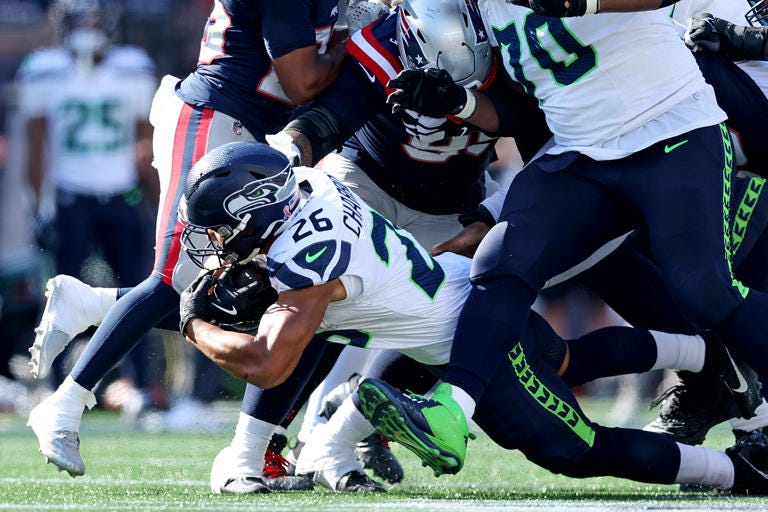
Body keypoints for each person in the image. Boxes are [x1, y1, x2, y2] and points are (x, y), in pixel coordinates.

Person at [178, 139, 768, 496]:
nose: (218, 241)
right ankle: (710, 356)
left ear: (258, 208)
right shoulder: (307, 184)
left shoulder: (306, 264)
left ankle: (736, 475)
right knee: (566, 358)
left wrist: (193, 325)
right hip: (470, 297)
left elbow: (268, 365)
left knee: (576, 449)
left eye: (221, 226)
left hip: (466, 340)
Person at [351, 0, 768, 477]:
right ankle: (449, 412)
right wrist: (456, 103)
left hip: (671, 128)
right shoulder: (475, 8)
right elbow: (520, 108)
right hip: (580, 151)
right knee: (500, 259)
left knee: (703, 289)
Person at [210, 0, 552, 492]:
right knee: (317, 281)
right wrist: (293, 146)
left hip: (454, 202)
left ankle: (336, 439)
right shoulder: (384, 39)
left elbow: (548, 156)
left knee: (463, 315)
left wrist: (489, 220)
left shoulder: (516, 42)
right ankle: (244, 452)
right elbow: (331, 115)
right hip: (366, 174)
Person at [26, 0, 349, 491]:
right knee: (173, 275)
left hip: (260, 134)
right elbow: (303, 80)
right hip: (217, 115)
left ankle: (93, 304)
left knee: (261, 292)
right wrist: (352, 41)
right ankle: (65, 404)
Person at [18, 0, 160, 392]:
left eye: (94, 19)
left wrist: (157, 201)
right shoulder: (45, 70)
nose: (87, 27)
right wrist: (37, 205)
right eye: (79, 20)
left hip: (121, 194)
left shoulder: (132, 67)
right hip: (70, 197)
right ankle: (55, 383)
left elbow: (143, 143)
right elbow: (35, 146)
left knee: (138, 290)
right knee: (61, 293)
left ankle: (144, 386)